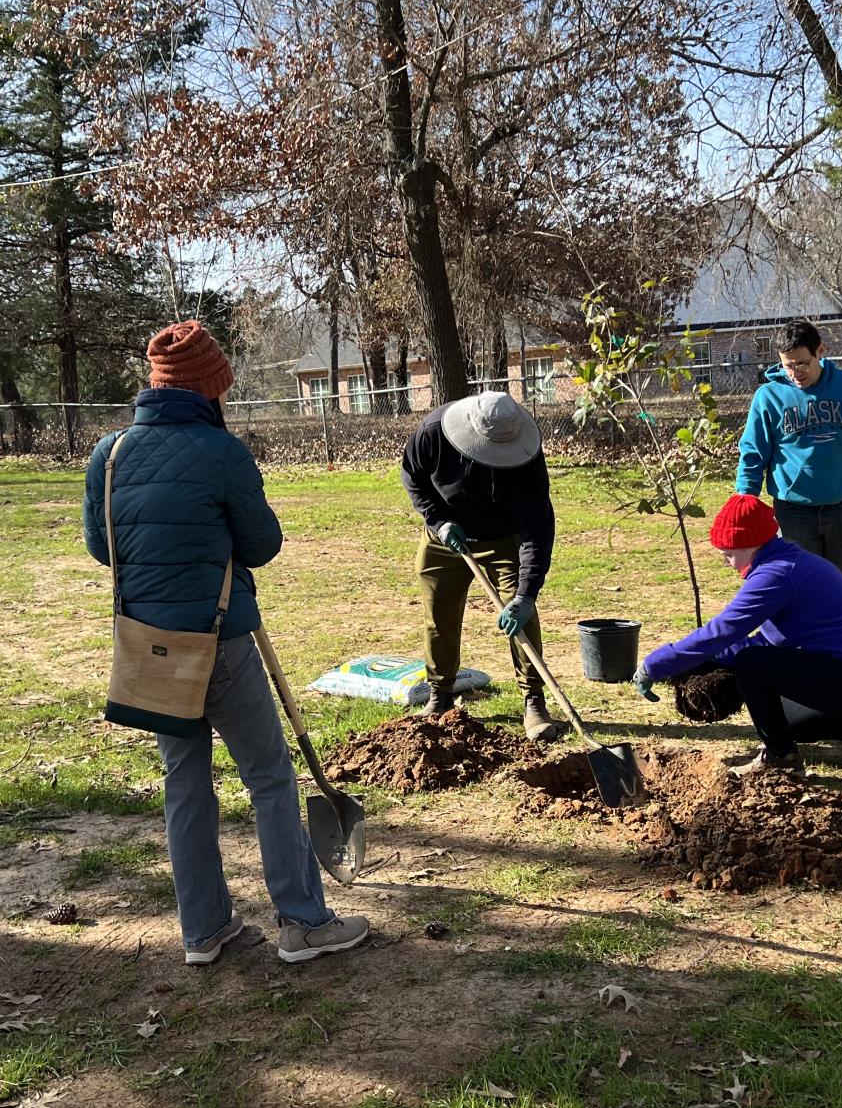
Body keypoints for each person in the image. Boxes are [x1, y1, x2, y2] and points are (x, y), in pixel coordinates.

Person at [84, 320, 368, 967]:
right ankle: (303, 923)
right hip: (221, 648)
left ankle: (204, 931)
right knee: (269, 778)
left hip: (148, 649)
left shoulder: (110, 455)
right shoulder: (223, 454)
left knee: (184, 785)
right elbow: (262, 544)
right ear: (211, 390)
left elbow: (107, 548)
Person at [631, 493, 842, 775]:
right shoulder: (792, 562)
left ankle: (782, 758)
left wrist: (656, 664)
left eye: (729, 552)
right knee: (787, 722)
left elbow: (724, 631)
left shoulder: (776, 575)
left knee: (751, 665)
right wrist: (705, 659)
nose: (726, 560)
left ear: (751, 544)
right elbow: (768, 641)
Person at [400, 391, 565, 742]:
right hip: (446, 536)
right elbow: (413, 476)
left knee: (520, 614)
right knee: (439, 613)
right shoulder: (432, 432)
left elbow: (537, 528)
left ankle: (534, 700)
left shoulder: (527, 459)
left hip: (504, 539)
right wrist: (438, 522)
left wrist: (526, 594)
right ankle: (440, 694)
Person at [734, 318, 842, 590]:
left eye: (802, 363)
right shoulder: (769, 397)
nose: (795, 372)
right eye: (787, 365)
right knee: (800, 587)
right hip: (793, 511)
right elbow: (753, 451)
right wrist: (745, 496)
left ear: (820, 352)